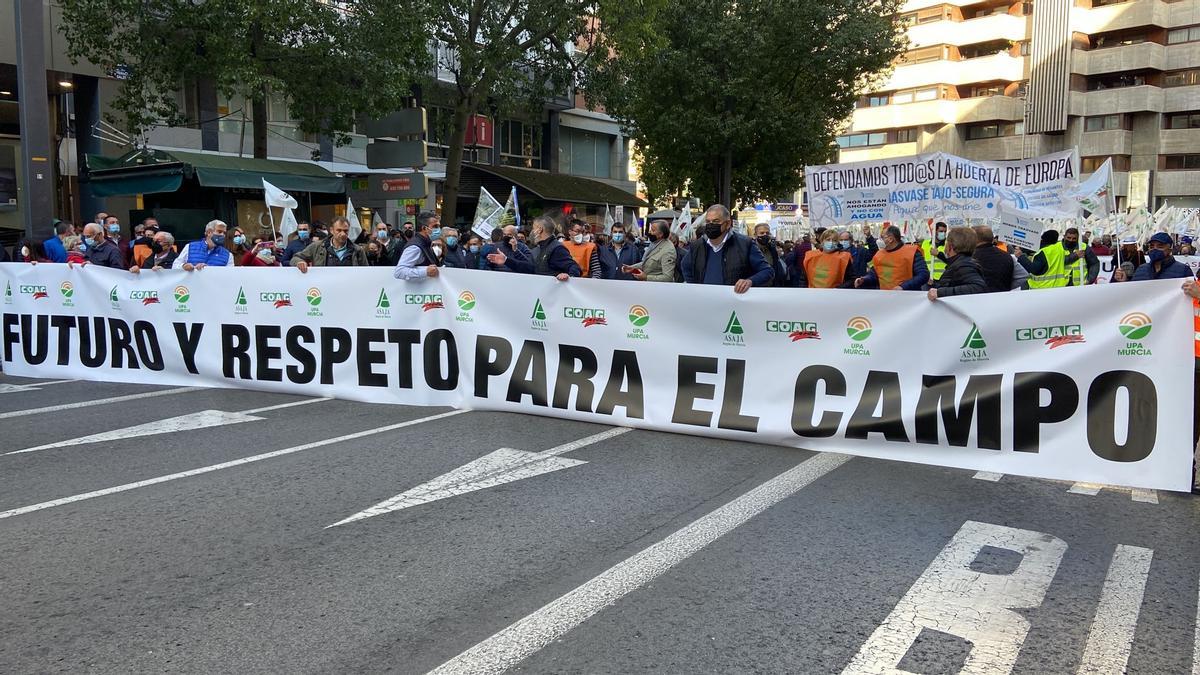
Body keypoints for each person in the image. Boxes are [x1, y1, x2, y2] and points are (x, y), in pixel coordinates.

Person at [681, 204, 773, 293]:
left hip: (733, 303)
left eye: (716, 221)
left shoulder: (745, 244)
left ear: (728, 223)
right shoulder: (697, 246)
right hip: (705, 301)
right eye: (708, 222)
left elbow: (767, 271)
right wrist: (694, 286)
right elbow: (685, 266)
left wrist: (749, 281)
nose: (711, 225)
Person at [486, 215, 580, 280]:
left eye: (533, 228)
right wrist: (506, 260)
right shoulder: (539, 248)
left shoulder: (557, 248)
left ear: (539, 230)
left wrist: (568, 275)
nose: (532, 231)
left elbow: (574, 267)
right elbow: (530, 268)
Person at [855, 224, 928, 291]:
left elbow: (923, 275)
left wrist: (903, 287)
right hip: (886, 297)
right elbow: (875, 274)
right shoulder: (879, 254)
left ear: (890, 239)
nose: (879, 240)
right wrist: (864, 279)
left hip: (908, 296)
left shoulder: (912, 252)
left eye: (882, 237)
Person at [292, 216, 369, 272]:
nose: (343, 234)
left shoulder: (357, 250)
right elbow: (295, 258)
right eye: (339, 230)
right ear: (331, 230)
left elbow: (366, 272)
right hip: (324, 289)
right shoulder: (317, 246)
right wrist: (299, 262)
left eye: (346, 231)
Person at [928, 227, 987, 299]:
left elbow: (978, 287)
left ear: (950, 246)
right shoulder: (961, 262)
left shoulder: (964, 266)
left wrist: (941, 292)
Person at [392, 211, 443, 281]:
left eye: (439, 226)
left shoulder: (426, 243)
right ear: (424, 228)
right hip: (417, 290)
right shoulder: (415, 247)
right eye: (435, 226)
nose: (438, 229)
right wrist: (425, 272)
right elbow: (399, 272)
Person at [971, 225, 1014, 293]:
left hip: (977, 299)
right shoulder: (1007, 256)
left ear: (975, 239)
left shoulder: (971, 257)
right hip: (1002, 298)